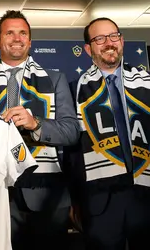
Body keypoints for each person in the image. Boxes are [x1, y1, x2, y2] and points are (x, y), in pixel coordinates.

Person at [0, 10, 79, 250]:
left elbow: (72, 131)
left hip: (47, 194)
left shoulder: (55, 79)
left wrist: (36, 124)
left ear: (30, 41)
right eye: (9, 33)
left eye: (23, 33)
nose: (17, 38)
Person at [65, 17, 150, 250]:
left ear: (122, 40)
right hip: (99, 199)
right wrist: (74, 199)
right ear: (88, 48)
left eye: (113, 36)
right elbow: (69, 152)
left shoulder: (147, 83)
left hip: (146, 193)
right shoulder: (74, 91)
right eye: (99, 38)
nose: (108, 43)